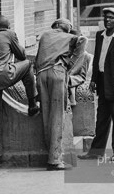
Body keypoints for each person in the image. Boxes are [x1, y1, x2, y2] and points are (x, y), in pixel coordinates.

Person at [0, 15, 39, 169]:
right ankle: (32, 104)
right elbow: (22, 56)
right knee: (28, 64)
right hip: (2, 75)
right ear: (8, 27)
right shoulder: (10, 35)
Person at [78, 7, 114, 162]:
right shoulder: (100, 36)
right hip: (102, 83)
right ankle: (96, 152)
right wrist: (94, 79)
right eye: (105, 18)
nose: (107, 20)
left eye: (111, 18)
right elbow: (97, 61)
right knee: (101, 120)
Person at [35, 18, 87, 170]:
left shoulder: (45, 35)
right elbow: (83, 40)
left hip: (40, 75)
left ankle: (50, 154)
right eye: (68, 25)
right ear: (59, 25)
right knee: (57, 115)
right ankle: (55, 160)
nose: (70, 27)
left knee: (46, 116)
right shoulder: (69, 37)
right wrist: (70, 67)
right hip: (57, 73)